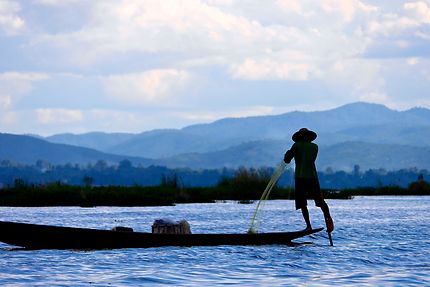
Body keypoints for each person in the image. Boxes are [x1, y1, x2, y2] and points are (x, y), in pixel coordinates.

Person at [283, 128, 334, 233]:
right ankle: (328, 218)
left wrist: (288, 153)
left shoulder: (297, 145)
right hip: (313, 177)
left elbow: (287, 160)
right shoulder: (315, 147)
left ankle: (308, 226)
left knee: (302, 203)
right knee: (320, 201)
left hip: (300, 177)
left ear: (300, 137)